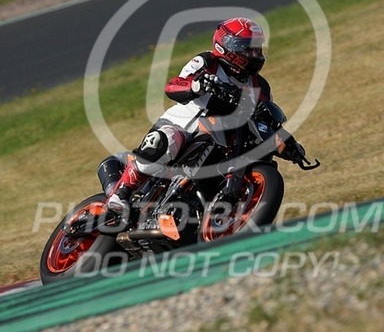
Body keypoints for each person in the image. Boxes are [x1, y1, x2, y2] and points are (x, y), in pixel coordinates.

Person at [106, 17, 303, 214]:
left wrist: (289, 144)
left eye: (256, 48)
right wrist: (196, 85)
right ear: (227, 46)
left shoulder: (260, 86)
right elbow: (173, 85)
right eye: (246, 48)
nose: (253, 54)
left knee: (258, 151)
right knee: (167, 141)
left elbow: (266, 117)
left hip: (226, 135)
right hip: (184, 126)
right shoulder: (208, 62)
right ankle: (121, 193)